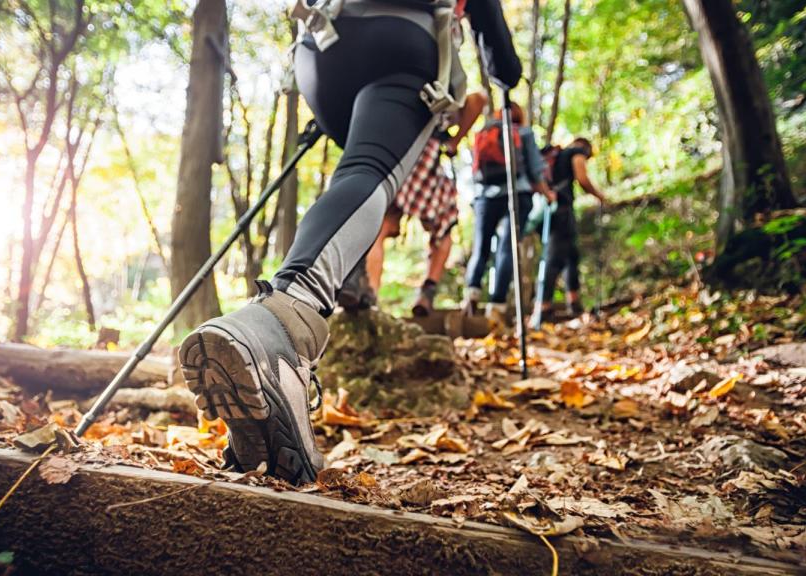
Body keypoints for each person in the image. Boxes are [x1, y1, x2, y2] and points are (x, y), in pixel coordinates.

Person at [178, 0, 522, 485]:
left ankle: (326, 313)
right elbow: (500, 59)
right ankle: (285, 325)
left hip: (318, 52)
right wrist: (506, 75)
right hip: (403, 47)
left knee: (356, 173)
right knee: (369, 173)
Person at [357, 92, 488, 316]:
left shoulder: (396, 93)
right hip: (426, 158)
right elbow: (480, 99)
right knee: (443, 228)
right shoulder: (441, 89)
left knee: (380, 228)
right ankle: (427, 291)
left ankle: (371, 295)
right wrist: (454, 141)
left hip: (394, 156)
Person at [462, 103, 554, 326]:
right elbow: (535, 168)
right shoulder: (524, 133)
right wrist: (547, 193)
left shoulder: (484, 133)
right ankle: (496, 305)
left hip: (485, 196)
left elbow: (473, 172)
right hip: (517, 194)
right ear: (519, 116)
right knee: (507, 247)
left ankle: (471, 294)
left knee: (481, 247)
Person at [537, 137, 606, 318]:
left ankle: (574, 302)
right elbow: (582, 178)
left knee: (570, 255)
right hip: (561, 209)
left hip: (548, 210)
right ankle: (543, 307)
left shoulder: (556, 155)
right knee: (554, 257)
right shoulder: (576, 152)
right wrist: (599, 196)